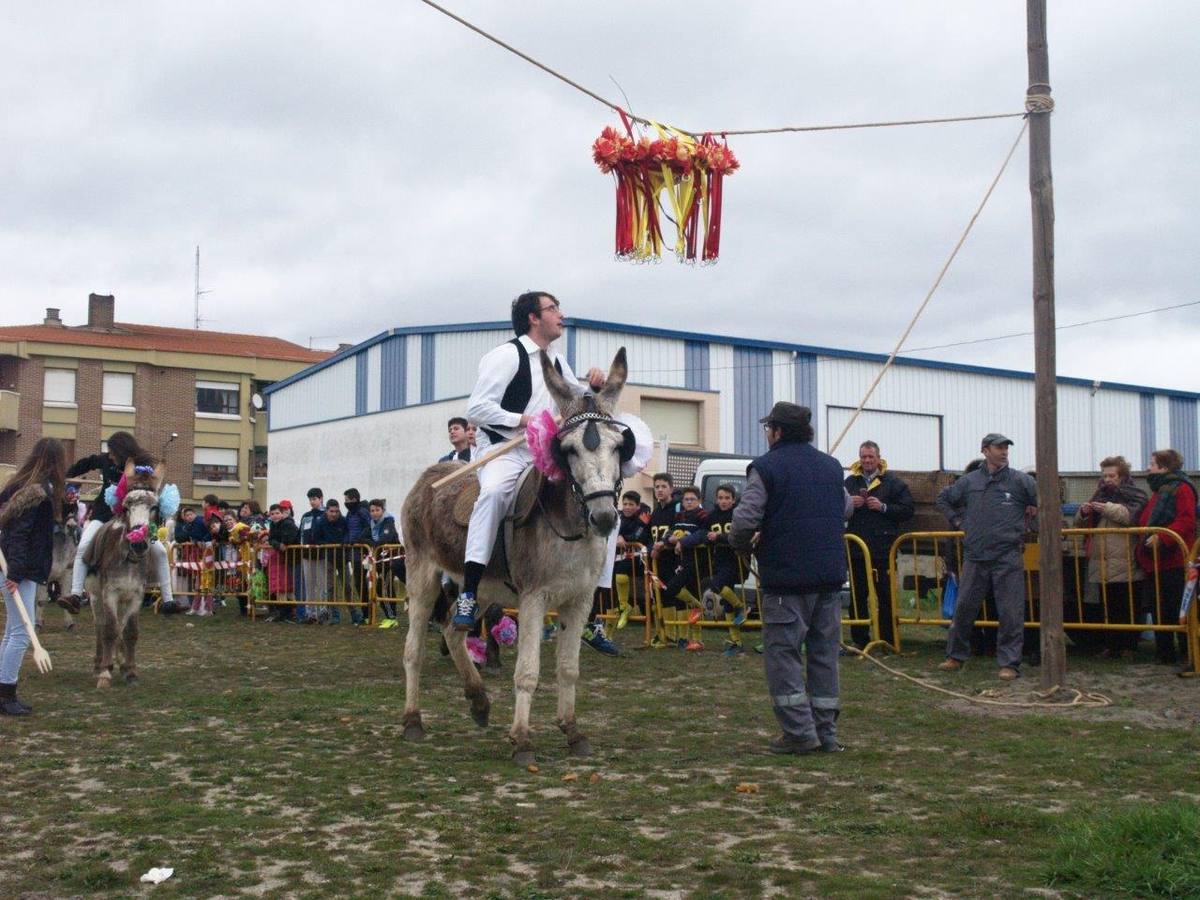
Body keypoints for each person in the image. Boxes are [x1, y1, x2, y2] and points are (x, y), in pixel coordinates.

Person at [454, 290, 606, 630]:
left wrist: (594, 386)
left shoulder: (557, 359)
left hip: (546, 453)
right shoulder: (506, 355)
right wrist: (524, 421)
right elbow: (476, 408)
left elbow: (578, 399)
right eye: (552, 309)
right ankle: (468, 592)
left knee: (598, 494)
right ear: (533, 318)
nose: (560, 314)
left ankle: (590, 611)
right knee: (493, 494)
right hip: (506, 451)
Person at [731, 402, 851, 754]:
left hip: (786, 580)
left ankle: (799, 733)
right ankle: (826, 733)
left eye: (769, 428)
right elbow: (846, 508)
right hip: (829, 578)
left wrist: (740, 544)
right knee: (824, 656)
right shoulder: (831, 467)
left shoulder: (766, 468)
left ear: (778, 431)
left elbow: (744, 520)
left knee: (783, 656)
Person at [935, 433, 1038, 680]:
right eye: (998, 447)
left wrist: (1032, 523)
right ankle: (955, 655)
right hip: (975, 555)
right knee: (963, 609)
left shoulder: (1021, 481)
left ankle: (1010, 663)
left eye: (1006, 448)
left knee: (1010, 612)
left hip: (1007, 556)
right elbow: (943, 499)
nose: (1003, 451)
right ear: (985, 450)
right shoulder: (969, 482)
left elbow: (1046, 504)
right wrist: (958, 521)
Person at [63, 431, 178, 613]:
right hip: (103, 514)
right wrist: (65, 476)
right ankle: (76, 595)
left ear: (121, 450)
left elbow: (153, 487)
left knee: (160, 551)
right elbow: (85, 464)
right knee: (84, 546)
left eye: (112, 452)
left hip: (135, 518)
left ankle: (168, 600)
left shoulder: (142, 465)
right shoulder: (105, 460)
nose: (110, 456)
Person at [0, 437, 66, 715]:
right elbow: (19, 534)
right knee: (21, 634)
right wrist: (15, 572)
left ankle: (3, 690)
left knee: (11, 632)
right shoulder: (36, 492)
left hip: (18, 567)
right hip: (19, 569)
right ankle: (6, 694)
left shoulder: (19, 486)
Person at [1073, 456, 1147, 658]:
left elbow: (1132, 517)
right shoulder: (1099, 495)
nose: (1107, 479)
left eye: (1111, 475)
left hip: (1126, 560)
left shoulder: (1135, 494)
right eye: (1104, 475)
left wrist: (1106, 508)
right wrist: (1084, 511)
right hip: (1103, 560)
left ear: (1122, 476)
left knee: (1127, 605)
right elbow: (1079, 525)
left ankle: (1129, 647)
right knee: (1108, 607)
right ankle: (1112, 646)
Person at [843, 441, 914, 650]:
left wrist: (883, 507)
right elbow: (835, 507)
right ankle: (859, 639)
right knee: (857, 596)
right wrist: (849, 505)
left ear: (878, 458)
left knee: (885, 596)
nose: (866, 461)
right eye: (863, 457)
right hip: (856, 550)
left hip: (884, 549)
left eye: (870, 457)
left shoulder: (893, 482)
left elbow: (908, 510)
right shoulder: (850, 482)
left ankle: (888, 639)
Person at [1135, 449, 1196, 667]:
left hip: (1174, 559)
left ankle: (1189, 652)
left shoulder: (1181, 489)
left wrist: (1162, 537)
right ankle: (1165, 652)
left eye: (1152, 463)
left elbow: (1186, 520)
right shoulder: (1161, 490)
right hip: (1157, 561)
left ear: (1164, 467)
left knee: (1178, 607)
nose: (1148, 467)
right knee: (1159, 607)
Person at [658, 486, 709, 649]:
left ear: (699, 501)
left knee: (672, 588)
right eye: (686, 499)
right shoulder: (679, 516)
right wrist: (666, 540)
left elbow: (702, 534)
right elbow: (670, 532)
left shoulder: (703, 516)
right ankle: (687, 637)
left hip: (697, 561)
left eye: (692, 499)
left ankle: (697, 638)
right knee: (684, 600)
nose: (689, 502)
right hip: (682, 561)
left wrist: (682, 542)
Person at [702, 484, 750, 657]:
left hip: (736, 560)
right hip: (720, 561)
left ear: (733, 499)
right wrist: (707, 538)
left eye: (727, 498)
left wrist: (719, 537)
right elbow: (705, 533)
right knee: (727, 606)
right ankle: (736, 642)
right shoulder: (711, 516)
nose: (723, 501)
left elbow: (741, 536)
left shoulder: (737, 514)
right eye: (720, 498)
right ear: (716, 499)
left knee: (716, 585)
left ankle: (741, 607)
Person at [612, 490, 650, 630]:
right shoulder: (618, 516)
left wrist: (624, 538)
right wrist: (618, 536)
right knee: (612, 579)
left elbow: (638, 536)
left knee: (621, 573)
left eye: (631, 504)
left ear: (638, 506)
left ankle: (625, 608)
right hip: (618, 556)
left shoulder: (643, 517)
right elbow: (611, 532)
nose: (627, 507)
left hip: (637, 556)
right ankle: (622, 607)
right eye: (625, 504)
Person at [366, 498, 402, 626]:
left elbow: (385, 538)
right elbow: (362, 537)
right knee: (381, 587)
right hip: (381, 561)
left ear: (383, 510)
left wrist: (373, 543)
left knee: (385, 587)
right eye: (372, 510)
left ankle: (392, 618)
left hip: (393, 560)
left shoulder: (388, 522)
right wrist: (372, 543)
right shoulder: (370, 524)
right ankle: (390, 616)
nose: (374, 513)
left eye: (377, 510)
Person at [313, 500, 349, 624]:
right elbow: (316, 538)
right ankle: (335, 615)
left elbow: (347, 533)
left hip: (342, 557)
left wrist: (344, 541)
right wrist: (328, 545)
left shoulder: (343, 520)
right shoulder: (320, 522)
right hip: (328, 557)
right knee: (331, 587)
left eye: (336, 511)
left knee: (347, 586)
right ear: (327, 511)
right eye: (331, 511)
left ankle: (354, 613)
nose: (334, 514)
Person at [265, 502, 300, 622]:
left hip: (291, 557)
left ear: (282, 513)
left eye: (277, 513)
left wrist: (283, 543)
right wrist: (278, 544)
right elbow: (271, 539)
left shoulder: (287, 523)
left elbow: (289, 538)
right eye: (272, 514)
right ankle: (282, 612)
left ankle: (291, 612)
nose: (275, 516)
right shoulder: (273, 525)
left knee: (288, 585)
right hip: (281, 557)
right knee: (280, 585)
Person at [342, 488, 372, 625]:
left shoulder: (362, 512)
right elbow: (348, 530)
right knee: (359, 585)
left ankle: (370, 613)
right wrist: (347, 541)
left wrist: (359, 539)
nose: (346, 502)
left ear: (354, 499)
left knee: (367, 584)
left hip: (363, 553)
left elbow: (368, 527)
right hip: (354, 555)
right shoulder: (349, 514)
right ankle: (365, 613)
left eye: (347, 500)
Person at [299, 488, 327, 624]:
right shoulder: (306, 516)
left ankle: (323, 611)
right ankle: (310, 613)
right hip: (307, 555)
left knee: (322, 584)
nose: (312, 502)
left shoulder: (327, 514)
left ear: (321, 498)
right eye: (310, 499)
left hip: (322, 555)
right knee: (309, 584)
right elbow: (301, 534)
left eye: (314, 499)